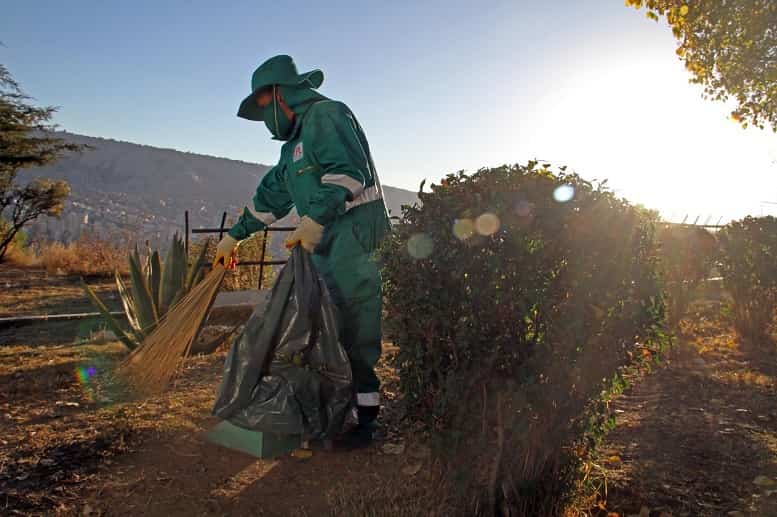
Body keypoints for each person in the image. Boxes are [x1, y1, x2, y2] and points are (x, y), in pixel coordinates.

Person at [214, 55, 391, 446]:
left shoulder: (327, 115)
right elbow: (269, 199)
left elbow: (348, 172)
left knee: (355, 332)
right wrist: (235, 236)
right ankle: (331, 413)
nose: (263, 118)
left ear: (281, 94)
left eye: (262, 105)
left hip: (356, 244)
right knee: (322, 329)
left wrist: (314, 220)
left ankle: (366, 420)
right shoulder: (291, 150)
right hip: (325, 246)